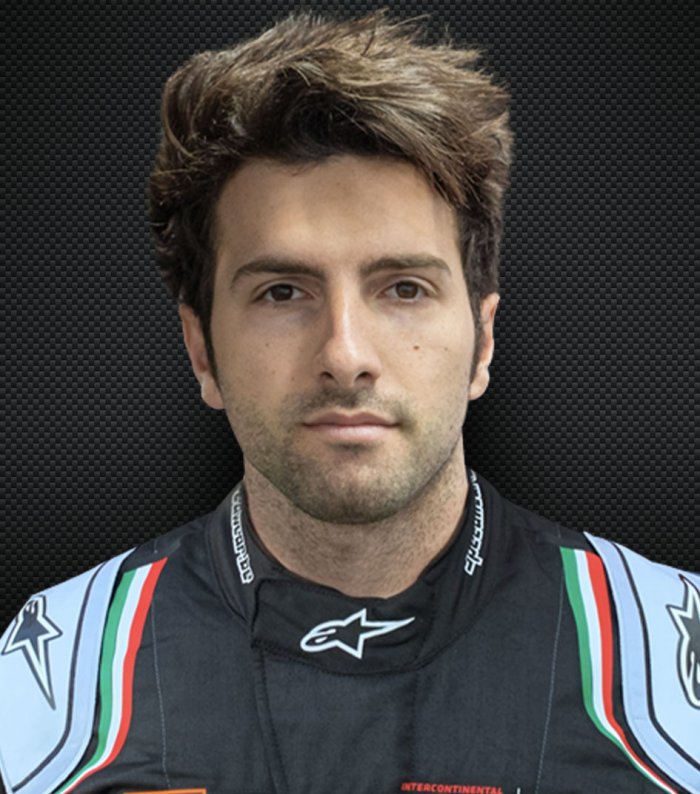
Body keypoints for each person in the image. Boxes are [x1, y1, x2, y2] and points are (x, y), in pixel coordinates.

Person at [0, 10, 697, 794]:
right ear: (201, 350)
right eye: (282, 292)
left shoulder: (668, 658)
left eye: (404, 289)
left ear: (484, 342)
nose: (345, 356)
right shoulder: (54, 679)